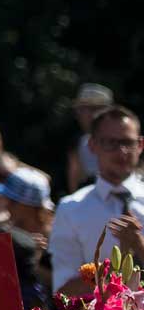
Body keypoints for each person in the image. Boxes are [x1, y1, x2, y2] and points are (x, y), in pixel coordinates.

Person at [50, 105, 144, 297]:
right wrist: (114, 268)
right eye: (111, 143)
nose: (122, 151)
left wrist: (139, 246)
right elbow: (64, 292)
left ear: (140, 145)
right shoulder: (72, 208)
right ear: (92, 145)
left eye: (128, 142)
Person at [0, 165, 55, 310]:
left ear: (31, 206)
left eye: (13, 201)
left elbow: (62, 284)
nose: (7, 205)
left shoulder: (57, 236)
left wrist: (34, 259)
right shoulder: (3, 233)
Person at [66, 83, 117, 192]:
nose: (86, 114)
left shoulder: (123, 141)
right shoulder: (79, 143)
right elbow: (74, 185)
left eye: (93, 109)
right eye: (82, 109)